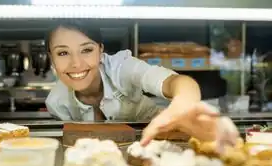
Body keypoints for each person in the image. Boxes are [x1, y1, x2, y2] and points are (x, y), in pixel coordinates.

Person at [45, 20, 239, 150]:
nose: (76, 64)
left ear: (101, 51)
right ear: (51, 59)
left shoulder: (122, 67)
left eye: (86, 50)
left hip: (160, 140)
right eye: (63, 53)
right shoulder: (56, 103)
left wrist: (183, 106)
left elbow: (177, 83)